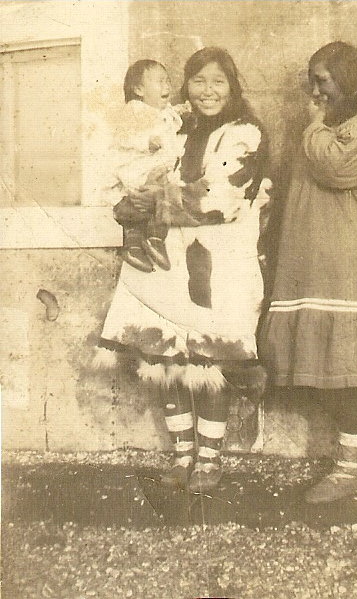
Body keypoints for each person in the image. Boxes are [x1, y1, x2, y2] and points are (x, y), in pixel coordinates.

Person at [95, 47, 270, 493]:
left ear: (232, 88)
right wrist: (128, 203)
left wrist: (151, 204)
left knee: (210, 360)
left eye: (218, 82)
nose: (207, 91)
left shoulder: (244, 134)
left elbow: (217, 198)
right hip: (167, 263)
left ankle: (209, 461)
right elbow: (137, 175)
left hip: (218, 266)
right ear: (187, 86)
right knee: (168, 359)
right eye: (198, 81)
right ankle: (181, 454)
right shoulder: (173, 127)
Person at [259, 42, 357, 503]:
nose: (314, 89)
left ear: (346, 78)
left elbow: (336, 166)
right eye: (312, 78)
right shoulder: (337, 124)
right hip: (316, 265)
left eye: (322, 79)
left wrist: (315, 123)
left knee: (353, 367)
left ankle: (347, 469)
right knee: (314, 363)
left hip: (355, 267)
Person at [107, 59, 192, 273]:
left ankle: (136, 247)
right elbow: (122, 136)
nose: (167, 86)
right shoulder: (134, 110)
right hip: (138, 171)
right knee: (156, 200)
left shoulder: (163, 111)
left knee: (152, 206)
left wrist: (182, 111)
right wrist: (146, 142)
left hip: (156, 170)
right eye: (160, 81)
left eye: (168, 81)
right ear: (138, 89)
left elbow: (172, 119)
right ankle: (154, 240)